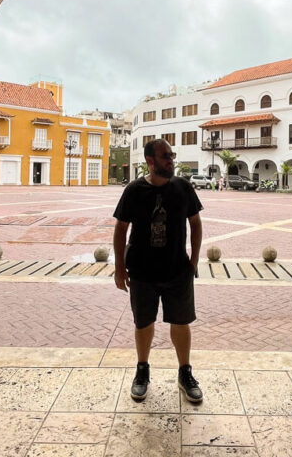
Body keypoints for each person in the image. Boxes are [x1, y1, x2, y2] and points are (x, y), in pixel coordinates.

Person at [113, 138, 204, 403]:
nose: (171, 160)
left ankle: (185, 373)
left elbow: (196, 224)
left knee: (181, 322)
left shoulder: (183, 187)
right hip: (142, 271)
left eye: (172, 155)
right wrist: (120, 267)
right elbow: (121, 229)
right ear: (150, 161)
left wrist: (194, 261)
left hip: (177, 269)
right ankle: (142, 371)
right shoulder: (134, 190)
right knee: (143, 322)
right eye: (166, 156)